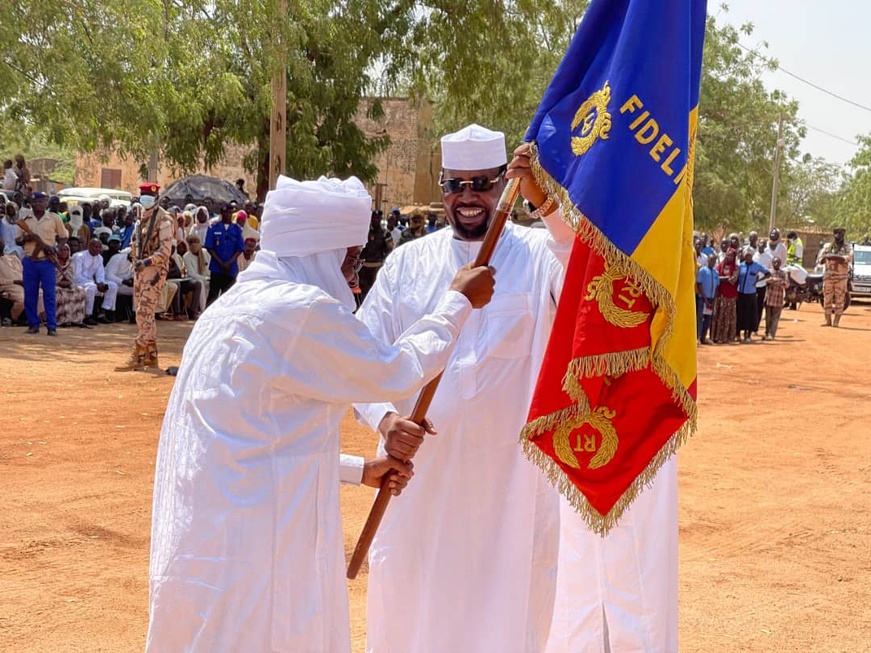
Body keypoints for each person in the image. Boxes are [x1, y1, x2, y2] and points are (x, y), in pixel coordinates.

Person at [356, 125, 676, 653]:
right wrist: (384, 420)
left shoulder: (537, 253)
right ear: (442, 187)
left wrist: (547, 206)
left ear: (502, 184)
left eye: (481, 183)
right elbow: (362, 360)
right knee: (412, 607)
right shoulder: (405, 265)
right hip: (421, 480)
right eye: (456, 185)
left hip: (512, 487)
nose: (468, 198)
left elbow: (588, 278)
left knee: (512, 613)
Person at [145, 174, 495, 652]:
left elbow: (253, 444)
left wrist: (357, 470)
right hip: (258, 557)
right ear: (319, 250)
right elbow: (394, 372)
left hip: (214, 550)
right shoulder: (294, 309)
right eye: (348, 259)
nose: (353, 277)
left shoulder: (232, 308)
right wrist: (457, 302)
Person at [116, 182, 175, 371]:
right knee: (144, 313)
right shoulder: (141, 218)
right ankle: (151, 355)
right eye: (143, 196)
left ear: (157, 199)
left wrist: (148, 262)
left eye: (149, 197)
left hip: (154, 270)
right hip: (141, 269)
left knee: (144, 311)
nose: (145, 200)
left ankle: (138, 353)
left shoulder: (164, 220)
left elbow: (165, 251)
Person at [14, 191, 67, 335]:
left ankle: (51, 326)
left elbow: (63, 237)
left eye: (42, 201)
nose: (39, 204)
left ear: (46, 203)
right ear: (31, 204)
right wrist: (27, 238)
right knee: (30, 294)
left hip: (47, 261)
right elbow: (17, 240)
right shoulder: (25, 219)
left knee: (49, 294)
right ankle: (33, 325)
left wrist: (56, 248)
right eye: (36, 202)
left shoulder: (54, 218)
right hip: (30, 261)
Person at [205, 202, 244, 305]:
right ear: (221, 213)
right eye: (226, 212)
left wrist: (229, 262)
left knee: (228, 297)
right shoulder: (213, 228)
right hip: (216, 268)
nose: (228, 215)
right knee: (213, 295)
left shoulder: (237, 229)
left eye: (230, 212)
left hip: (231, 269)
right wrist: (220, 263)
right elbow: (209, 247)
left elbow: (240, 248)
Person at [74, 237, 118, 324]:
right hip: (78, 283)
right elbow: (76, 276)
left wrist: (100, 283)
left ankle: (102, 313)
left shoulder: (99, 258)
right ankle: (88, 315)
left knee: (113, 286)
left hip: (91, 283)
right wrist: (95, 283)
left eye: (99, 247)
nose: (98, 249)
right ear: (89, 246)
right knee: (92, 287)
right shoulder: (79, 256)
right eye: (95, 247)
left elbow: (100, 274)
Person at [817, 226, 852, 327]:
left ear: (843, 235)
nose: (838, 237)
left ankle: (836, 321)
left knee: (840, 299)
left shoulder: (847, 247)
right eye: (836, 234)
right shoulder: (828, 246)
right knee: (827, 298)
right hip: (829, 277)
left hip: (841, 277)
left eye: (840, 234)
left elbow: (847, 258)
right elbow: (820, 259)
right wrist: (829, 257)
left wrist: (830, 256)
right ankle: (827, 320)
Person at [358, 210, 394, 299]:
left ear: (381, 219)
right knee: (364, 292)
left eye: (378, 218)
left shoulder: (385, 233)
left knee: (377, 292)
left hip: (377, 267)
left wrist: (385, 261)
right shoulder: (365, 232)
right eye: (374, 218)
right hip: (364, 268)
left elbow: (390, 249)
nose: (375, 220)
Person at [736, 250, 769, 343]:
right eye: (746, 255)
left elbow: (767, 273)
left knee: (749, 315)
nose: (748, 257)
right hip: (741, 293)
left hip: (751, 293)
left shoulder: (757, 266)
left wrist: (757, 281)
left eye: (749, 255)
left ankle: (748, 335)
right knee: (740, 313)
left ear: (752, 256)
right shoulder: (741, 265)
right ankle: (738, 334)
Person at [54, 243, 88, 328]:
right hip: (55, 284)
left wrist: (68, 282)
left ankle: (76, 320)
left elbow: (71, 276)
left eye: (66, 250)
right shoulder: (52, 261)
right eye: (61, 250)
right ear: (57, 251)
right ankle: (61, 319)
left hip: (68, 284)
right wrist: (59, 282)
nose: (64, 252)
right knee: (59, 293)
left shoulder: (71, 261)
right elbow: (51, 276)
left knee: (80, 291)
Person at [711, 248, 739, 344]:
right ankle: (717, 336)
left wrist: (722, 278)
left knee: (728, 316)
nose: (729, 257)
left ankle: (727, 337)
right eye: (727, 255)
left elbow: (733, 280)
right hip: (720, 295)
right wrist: (725, 278)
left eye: (731, 255)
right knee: (719, 315)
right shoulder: (720, 266)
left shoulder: (736, 268)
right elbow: (715, 276)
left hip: (730, 296)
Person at [696, 253, 719, 344]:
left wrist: (713, 300)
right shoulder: (702, 270)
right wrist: (705, 299)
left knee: (708, 319)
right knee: (700, 318)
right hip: (703, 298)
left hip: (711, 299)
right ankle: (697, 337)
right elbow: (699, 284)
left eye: (713, 260)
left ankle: (703, 337)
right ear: (708, 260)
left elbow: (717, 286)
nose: (712, 262)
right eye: (710, 260)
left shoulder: (715, 272)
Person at [763, 257, 789, 340]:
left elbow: (786, 284)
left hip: (778, 299)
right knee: (767, 317)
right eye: (775, 262)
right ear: (772, 263)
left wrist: (774, 281)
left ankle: (772, 334)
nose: (776, 264)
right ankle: (767, 333)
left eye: (778, 262)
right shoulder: (769, 272)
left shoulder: (783, 273)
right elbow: (767, 280)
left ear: (780, 263)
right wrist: (779, 281)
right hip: (769, 298)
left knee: (775, 318)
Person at [183, 234, 210, 312]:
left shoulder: (205, 252)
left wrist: (210, 278)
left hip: (207, 278)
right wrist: (205, 278)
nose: (193, 244)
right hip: (194, 279)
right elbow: (192, 273)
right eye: (191, 242)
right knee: (200, 283)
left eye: (196, 242)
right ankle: (204, 310)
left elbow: (209, 267)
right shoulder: (186, 257)